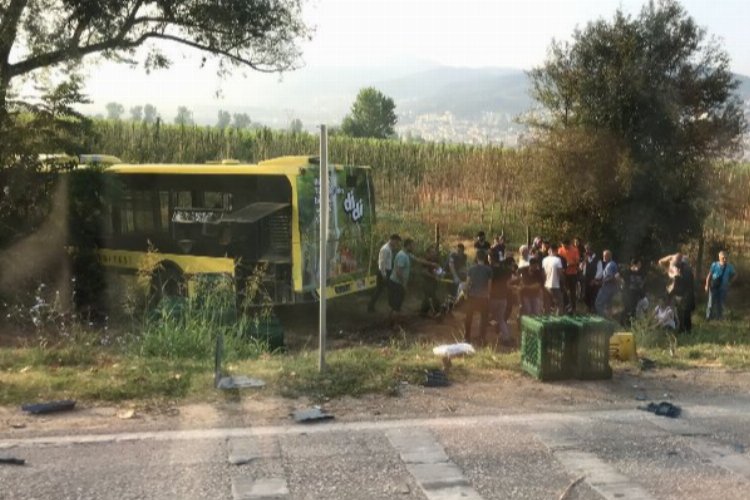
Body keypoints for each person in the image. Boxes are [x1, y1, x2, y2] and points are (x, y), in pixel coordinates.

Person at [659, 253, 695, 332]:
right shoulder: (671, 267)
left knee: (682, 311)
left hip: (680, 292)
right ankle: (680, 328)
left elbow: (680, 283)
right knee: (678, 311)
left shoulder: (684, 269)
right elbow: (660, 262)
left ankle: (683, 329)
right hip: (675, 292)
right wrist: (671, 257)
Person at [464, 250, 492, 344]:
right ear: (484, 258)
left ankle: (467, 337)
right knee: (484, 318)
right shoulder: (488, 269)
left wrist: (466, 293)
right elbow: (489, 284)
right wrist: (488, 294)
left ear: (476, 258)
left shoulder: (471, 269)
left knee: (469, 317)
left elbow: (467, 283)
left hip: (472, 296)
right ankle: (482, 338)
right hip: (483, 297)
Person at [368, 234, 401, 312]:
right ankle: (392, 306)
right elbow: (381, 263)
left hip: (387, 271)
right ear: (392, 240)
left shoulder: (389, 248)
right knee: (389, 289)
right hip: (384, 272)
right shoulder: (385, 249)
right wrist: (384, 274)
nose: (396, 244)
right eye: (396, 242)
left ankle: (371, 306)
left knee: (381, 290)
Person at [704, 251, 737, 320]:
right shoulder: (714, 265)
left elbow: (735, 275)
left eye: (726, 258)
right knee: (711, 303)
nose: (725, 259)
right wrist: (707, 285)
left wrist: (730, 282)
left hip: (723, 288)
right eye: (723, 258)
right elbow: (709, 275)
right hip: (714, 287)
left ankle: (719, 317)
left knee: (721, 303)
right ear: (719, 258)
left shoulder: (729, 266)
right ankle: (708, 317)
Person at [388, 238, 414, 324]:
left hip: (396, 283)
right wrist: (404, 284)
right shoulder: (402, 256)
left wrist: (431, 264)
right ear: (408, 245)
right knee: (397, 306)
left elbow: (417, 259)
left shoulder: (406, 254)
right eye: (413, 245)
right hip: (397, 284)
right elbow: (398, 271)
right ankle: (395, 325)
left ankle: (392, 322)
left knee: (396, 305)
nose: (414, 247)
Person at [490, 256, 515, 344]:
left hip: (492, 297)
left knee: (486, 316)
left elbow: (489, 283)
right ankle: (506, 337)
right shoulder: (507, 271)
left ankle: (483, 337)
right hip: (503, 297)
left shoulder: (490, 270)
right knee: (501, 319)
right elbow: (508, 284)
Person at [621, 257, 646, 326]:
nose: (640, 266)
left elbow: (642, 283)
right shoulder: (627, 272)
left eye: (640, 264)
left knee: (633, 310)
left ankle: (631, 325)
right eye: (639, 264)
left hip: (636, 295)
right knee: (627, 309)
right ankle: (623, 323)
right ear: (634, 264)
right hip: (627, 294)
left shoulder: (640, 273)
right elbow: (620, 278)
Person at [595, 250, 619, 318]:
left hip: (607, 289)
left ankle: (603, 319)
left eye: (604, 256)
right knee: (608, 305)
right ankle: (609, 320)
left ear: (609, 256)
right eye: (603, 255)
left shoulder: (609, 265)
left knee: (598, 304)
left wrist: (601, 282)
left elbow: (610, 277)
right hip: (612, 289)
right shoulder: (613, 263)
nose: (603, 257)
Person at [419, 245, 442, 317]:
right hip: (426, 281)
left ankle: (423, 312)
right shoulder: (425, 260)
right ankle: (437, 311)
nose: (434, 253)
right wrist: (434, 276)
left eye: (434, 252)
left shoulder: (435, 260)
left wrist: (439, 274)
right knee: (431, 296)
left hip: (433, 281)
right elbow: (424, 272)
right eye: (432, 252)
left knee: (428, 297)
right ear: (428, 253)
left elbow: (438, 270)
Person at [558, 239, 580, 313]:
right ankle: (565, 306)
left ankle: (573, 308)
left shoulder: (574, 250)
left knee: (572, 291)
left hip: (572, 273)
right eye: (563, 245)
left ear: (569, 244)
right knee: (563, 290)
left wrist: (570, 264)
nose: (564, 247)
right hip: (564, 273)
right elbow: (558, 260)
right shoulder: (560, 250)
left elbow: (577, 261)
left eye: (565, 246)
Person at [542, 244, 564, 315]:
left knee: (547, 304)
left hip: (546, 285)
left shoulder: (544, 260)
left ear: (549, 251)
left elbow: (543, 273)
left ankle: (547, 319)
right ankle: (558, 320)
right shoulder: (558, 260)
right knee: (559, 303)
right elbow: (560, 273)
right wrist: (563, 282)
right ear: (556, 251)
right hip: (555, 284)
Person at [581, 244, 603, 313]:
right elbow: (582, 268)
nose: (586, 251)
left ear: (591, 250)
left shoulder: (598, 259)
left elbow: (600, 271)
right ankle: (588, 308)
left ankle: (594, 311)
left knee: (593, 296)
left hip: (594, 281)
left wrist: (594, 280)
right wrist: (583, 262)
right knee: (585, 296)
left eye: (587, 249)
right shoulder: (586, 258)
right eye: (585, 249)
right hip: (586, 280)